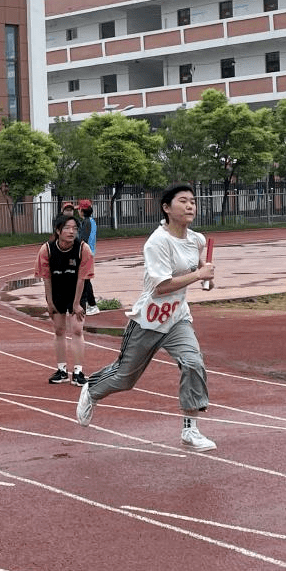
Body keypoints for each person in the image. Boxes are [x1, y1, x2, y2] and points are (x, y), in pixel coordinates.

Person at [76, 184, 217, 452]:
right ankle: (92, 389)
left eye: (193, 202)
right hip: (148, 320)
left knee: (193, 362)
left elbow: (198, 266)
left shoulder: (196, 239)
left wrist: (206, 274)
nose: (190, 206)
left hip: (177, 319)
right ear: (166, 208)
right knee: (125, 378)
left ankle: (191, 429)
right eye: (183, 201)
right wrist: (200, 275)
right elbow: (162, 286)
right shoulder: (157, 242)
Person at [35, 213, 94, 386]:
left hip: (76, 291)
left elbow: (82, 278)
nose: (71, 231)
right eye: (67, 228)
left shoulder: (83, 249)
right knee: (59, 330)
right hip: (57, 292)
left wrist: (76, 304)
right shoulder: (47, 249)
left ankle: (78, 372)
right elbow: (46, 277)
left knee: (77, 329)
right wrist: (50, 302)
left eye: (75, 228)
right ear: (58, 230)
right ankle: (62, 370)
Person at [78, 199, 100, 315]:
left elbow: (84, 238)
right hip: (89, 253)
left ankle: (90, 305)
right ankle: (90, 304)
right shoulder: (90, 221)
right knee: (85, 280)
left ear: (82, 210)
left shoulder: (87, 222)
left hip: (86, 254)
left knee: (84, 280)